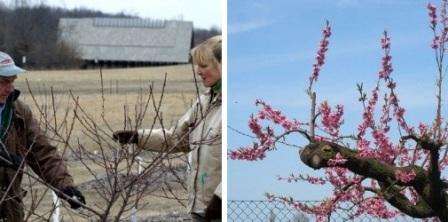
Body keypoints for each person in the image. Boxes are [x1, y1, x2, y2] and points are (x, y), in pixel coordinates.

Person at [113, 36, 222, 221]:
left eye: (204, 66)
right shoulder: (204, 103)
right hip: (202, 209)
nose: (198, 71)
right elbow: (176, 138)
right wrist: (137, 136)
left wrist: (220, 199)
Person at [0, 51, 85, 221]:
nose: (11, 88)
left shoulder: (19, 112)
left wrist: (65, 186)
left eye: (12, 81)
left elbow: (42, 152)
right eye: (4, 82)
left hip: (9, 210)